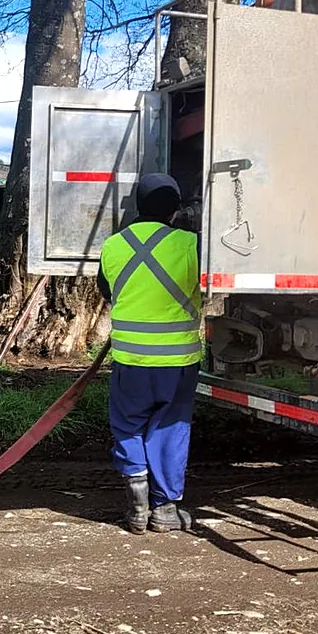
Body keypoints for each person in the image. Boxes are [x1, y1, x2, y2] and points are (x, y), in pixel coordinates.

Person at [97, 173, 201, 534]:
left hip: (131, 361)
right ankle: (165, 510)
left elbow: (106, 291)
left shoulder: (113, 246)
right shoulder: (191, 245)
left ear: (138, 206)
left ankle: (138, 506)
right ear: (175, 209)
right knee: (170, 429)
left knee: (128, 426)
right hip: (179, 363)